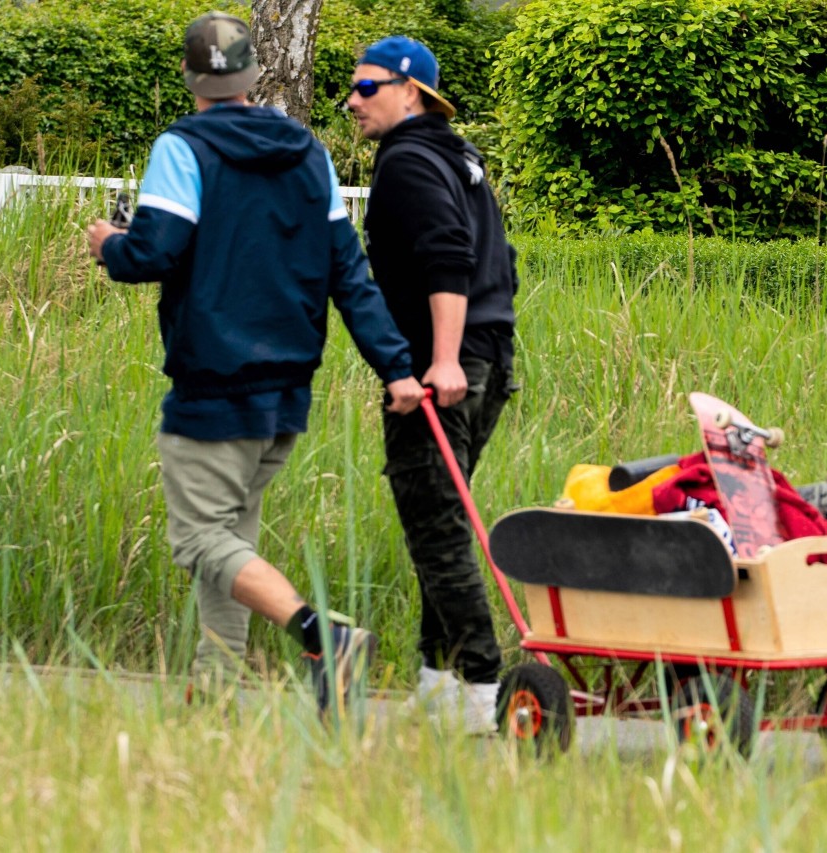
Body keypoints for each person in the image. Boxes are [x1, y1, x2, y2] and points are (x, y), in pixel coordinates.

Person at [86, 12, 424, 712]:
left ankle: (321, 633)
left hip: (212, 382)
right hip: (286, 390)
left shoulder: (182, 148)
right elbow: (350, 276)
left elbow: (152, 253)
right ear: (252, 75)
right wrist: (394, 367)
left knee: (201, 538)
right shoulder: (309, 153)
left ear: (190, 77)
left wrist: (106, 244)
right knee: (232, 538)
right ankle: (213, 687)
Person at [347, 36, 519, 733]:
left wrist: (443, 359)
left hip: (444, 367)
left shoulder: (410, 162)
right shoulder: (459, 156)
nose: (352, 102)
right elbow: (498, 259)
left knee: (438, 528)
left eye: (366, 88)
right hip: (491, 355)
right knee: (439, 517)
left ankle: (481, 686)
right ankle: (437, 679)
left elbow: (448, 256)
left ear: (410, 92)